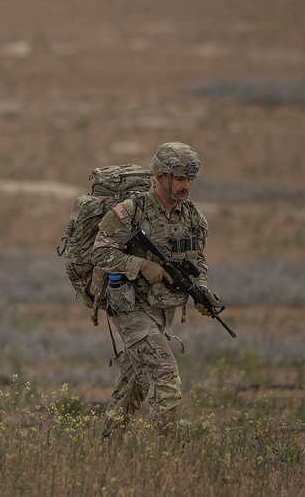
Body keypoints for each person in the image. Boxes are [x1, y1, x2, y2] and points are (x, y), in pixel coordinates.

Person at [91, 141, 220, 437]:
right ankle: (166, 455)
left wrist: (200, 290)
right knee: (166, 377)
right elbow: (100, 252)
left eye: (189, 179)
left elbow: (197, 260)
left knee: (134, 382)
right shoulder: (130, 212)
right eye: (179, 178)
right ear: (160, 177)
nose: (186, 185)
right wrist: (143, 266)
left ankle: (108, 446)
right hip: (129, 306)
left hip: (161, 310)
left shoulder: (192, 218)